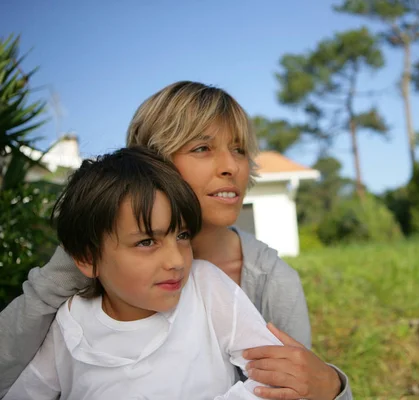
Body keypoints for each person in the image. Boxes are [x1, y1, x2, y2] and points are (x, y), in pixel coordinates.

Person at [0, 81, 352, 400]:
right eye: (202, 148)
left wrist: (334, 387)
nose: (231, 166)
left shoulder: (273, 281)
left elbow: (294, 388)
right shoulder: (98, 257)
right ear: (153, 162)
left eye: (240, 149)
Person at [5, 146, 286, 399]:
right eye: (147, 242)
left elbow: (278, 377)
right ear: (88, 258)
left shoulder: (208, 289)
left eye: (183, 235)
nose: (176, 260)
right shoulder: (71, 323)